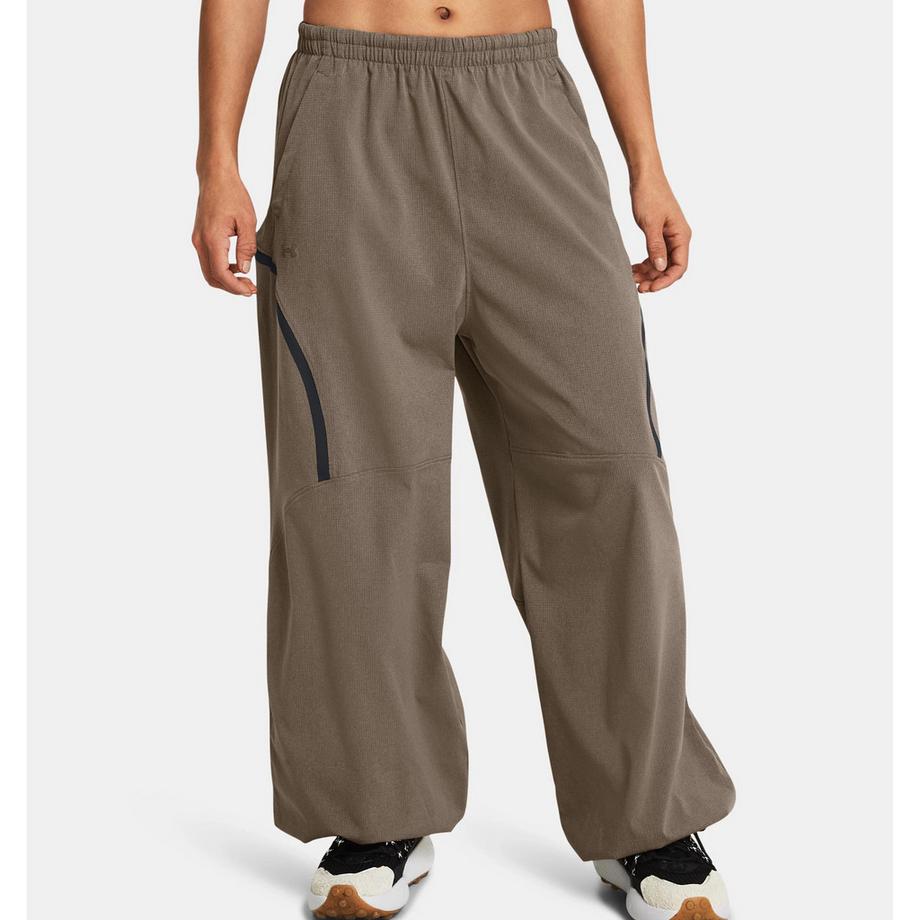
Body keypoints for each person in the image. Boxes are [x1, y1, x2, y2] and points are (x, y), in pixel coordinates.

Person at [192, 1, 736, 918]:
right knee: (354, 489)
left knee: (609, 474)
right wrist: (218, 161)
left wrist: (646, 162)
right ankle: (376, 814)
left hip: (525, 100)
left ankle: (646, 816)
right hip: (347, 107)